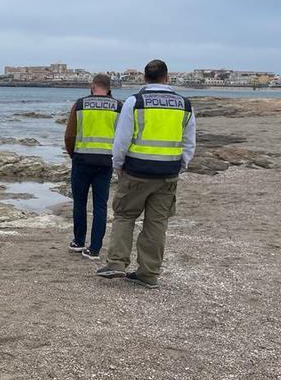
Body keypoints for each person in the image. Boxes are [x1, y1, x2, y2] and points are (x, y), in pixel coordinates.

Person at [96, 60, 196, 289]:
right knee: (157, 223)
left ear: (144, 78)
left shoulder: (135, 102)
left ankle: (117, 263)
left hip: (137, 170)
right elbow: (189, 142)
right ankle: (149, 273)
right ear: (167, 77)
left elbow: (122, 139)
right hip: (168, 173)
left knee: (124, 214)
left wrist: (117, 165)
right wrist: (182, 165)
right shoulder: (184, 104)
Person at [63, 74, 121, 260]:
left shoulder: (80, 104)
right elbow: (123, 136)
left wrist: (73, 154)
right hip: (105, 160)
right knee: (100, 205)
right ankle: (95, 248)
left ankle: (79, 241)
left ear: (92, 86)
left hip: (82, 158)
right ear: (109, 87)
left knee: (79, 202)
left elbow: (70, 135)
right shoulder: (118, 106)